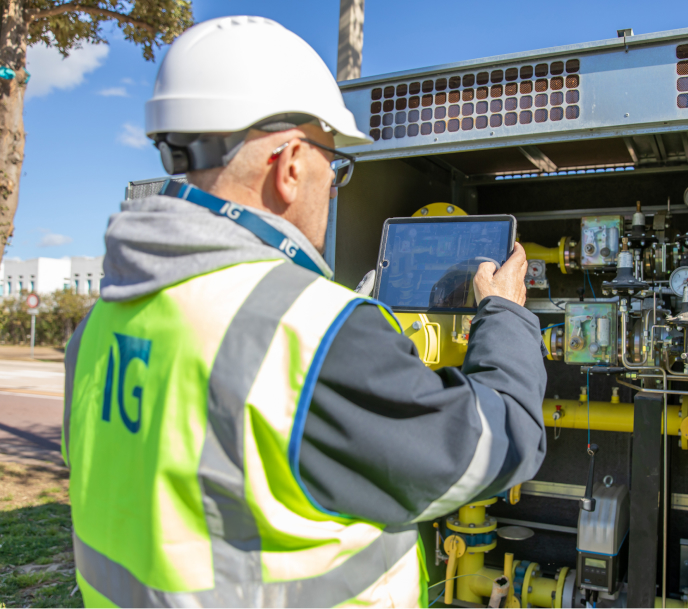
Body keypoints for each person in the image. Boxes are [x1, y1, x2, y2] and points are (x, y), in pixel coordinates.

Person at [62, 15, 547, 608]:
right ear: (290, 165)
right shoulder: (307, 330)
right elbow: (499, 449)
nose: (334, 185)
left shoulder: (97, 328)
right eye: (334, 165)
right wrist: (505, 314)